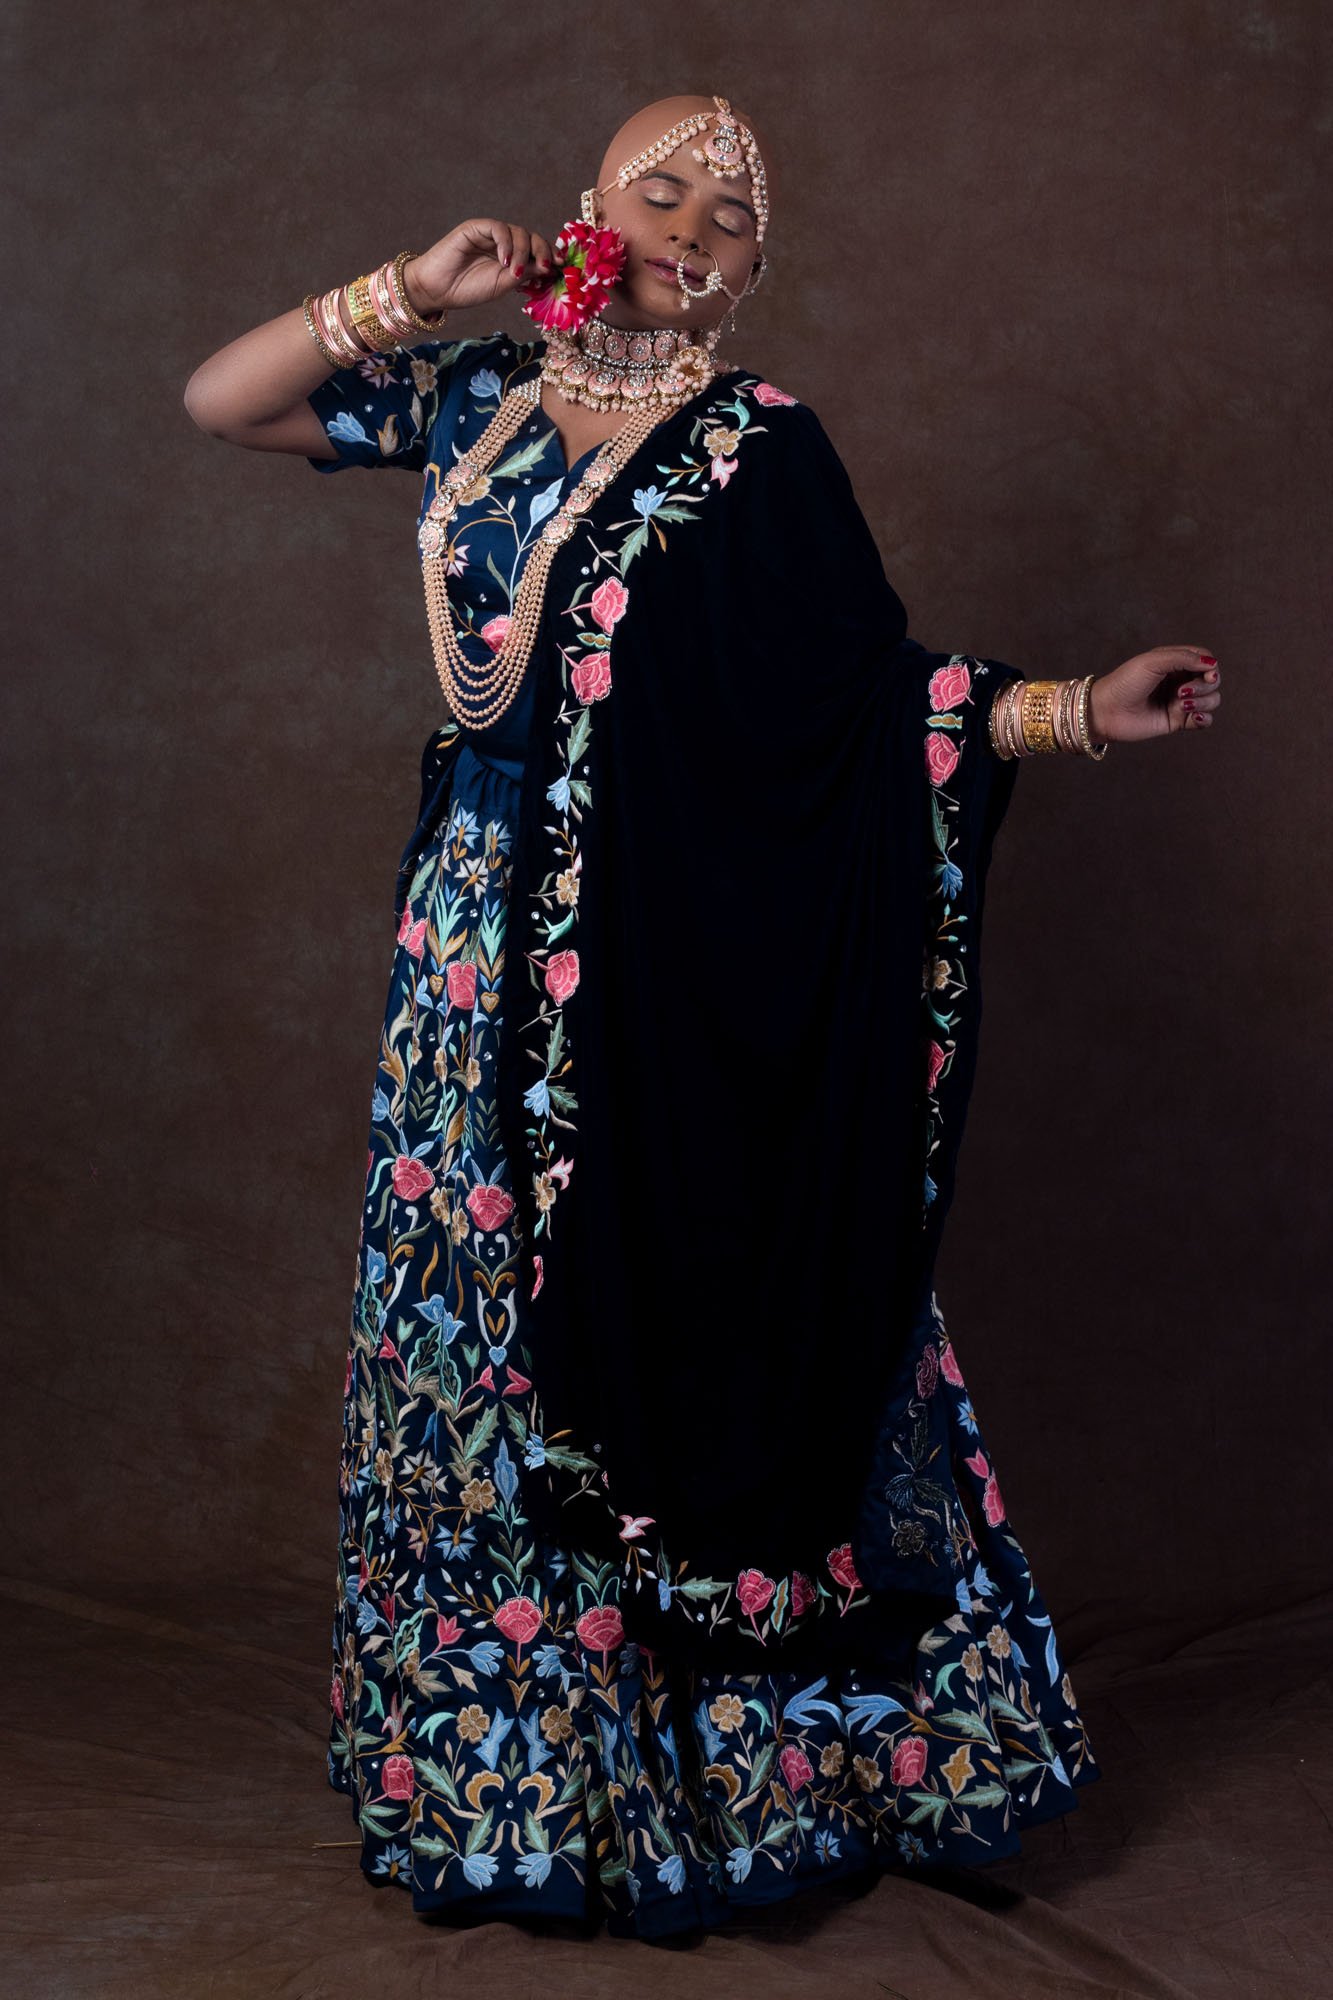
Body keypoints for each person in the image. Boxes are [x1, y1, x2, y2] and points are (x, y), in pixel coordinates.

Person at [184, 92, 1223, 1941]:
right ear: (587, 202)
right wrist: (414, 289)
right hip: (465, 941)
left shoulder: (758, 449)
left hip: (657, 961)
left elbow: (864, 707)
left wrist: (1075, 711)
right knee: (472, 1326)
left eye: (731, 216)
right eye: (658, 186)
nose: (690, 223)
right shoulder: (474, 399)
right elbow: (225, 401)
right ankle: (505, 1778)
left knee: (688, 1297)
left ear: (749, 272)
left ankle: (747, 1780)